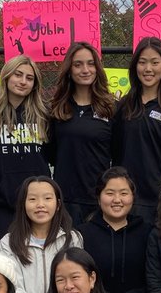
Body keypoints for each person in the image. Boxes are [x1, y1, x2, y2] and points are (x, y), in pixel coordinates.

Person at [79, 167, 156, 293]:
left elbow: (153, 277)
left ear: (132, 197)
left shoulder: (148, 232)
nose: (117, 200)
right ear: (99, 197)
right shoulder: (83, 233)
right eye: (110, 193)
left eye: (124, 193)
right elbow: (81, 278)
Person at [113, 36, 161, 221]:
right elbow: (116, 151)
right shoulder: (124, 106)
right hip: (125, 199)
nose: (148, 69)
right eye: (142, 62)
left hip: (157, 201)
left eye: (155, 62)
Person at [47, 41, 116, 224]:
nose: (85, 70)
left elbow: (117, 152)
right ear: (69, 69)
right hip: (65, 199)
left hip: (98, 199)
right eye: (78, 64)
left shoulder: (110, 108)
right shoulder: (57, 109)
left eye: (90, 63)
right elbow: (52, 153)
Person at [0, 54, 51, 242]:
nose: (23, 82)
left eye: (29, 78)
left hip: (38, 204)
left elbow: (51, 154)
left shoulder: (44, 116)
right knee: (7, 263)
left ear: (34, 84)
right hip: (3, 204)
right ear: (6, 77)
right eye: (18, 75)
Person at [0, 176, 82, 293]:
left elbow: (76, 279)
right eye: (32, 199)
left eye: (47, 198)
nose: (40, 204)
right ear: (23, 204)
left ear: (58, 204)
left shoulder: (72, 239)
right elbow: (12, 283)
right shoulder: (8, 242)